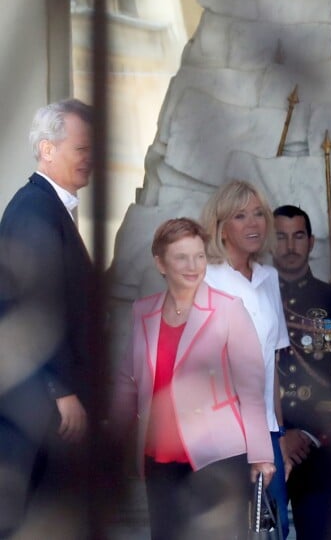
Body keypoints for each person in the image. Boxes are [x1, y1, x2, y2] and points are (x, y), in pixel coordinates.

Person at [112, 218, 275, 540]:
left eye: (199, 256)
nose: (193, 266)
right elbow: (126, 382)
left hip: (218, 455)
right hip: (158, 455)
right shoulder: (143, 311)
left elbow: (252, 389)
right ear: (160, 263)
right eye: (181, 257)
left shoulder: (229, 309)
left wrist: (260, 455)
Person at [0, 98, 93, 536]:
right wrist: (61, 389)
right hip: (40, 405)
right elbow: (30, 307)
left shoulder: (50, 207)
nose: (89, 159)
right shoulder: (34, 209)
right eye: (81, 148)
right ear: (47, 149)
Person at [272, 205, 331, 540]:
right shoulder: (248, 300)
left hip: (320, 451)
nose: (289, 246)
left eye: (298, 236)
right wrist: (278, 435)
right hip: (265, 451)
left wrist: (306, 434)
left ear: (311, 242)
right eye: (280, 237)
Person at [200, 181, 291, 538]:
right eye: (240, 216)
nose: (253, 224)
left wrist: (279, 434)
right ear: (221, 228)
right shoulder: (206, 280)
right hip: (222, 432)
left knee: (274, 528)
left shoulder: (269, 279)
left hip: (267, 430)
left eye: (258, 214)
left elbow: (273, 366)